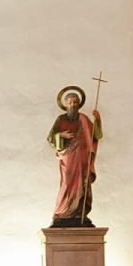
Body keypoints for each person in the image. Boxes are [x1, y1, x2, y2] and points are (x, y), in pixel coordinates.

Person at [48, 86, 103, 227]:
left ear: (79, 104)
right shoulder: (61, 119)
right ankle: (62, 212)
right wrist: (61, 135)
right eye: (70, 102)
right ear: (66, 104)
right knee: (67, 184)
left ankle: (79, 213)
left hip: (82, 158)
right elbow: (50, 138)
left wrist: (98, 120)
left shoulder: (83, 119)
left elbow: (96, 136)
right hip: (68, 157)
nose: (73, 105)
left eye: (75, 102)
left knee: (82, 184)